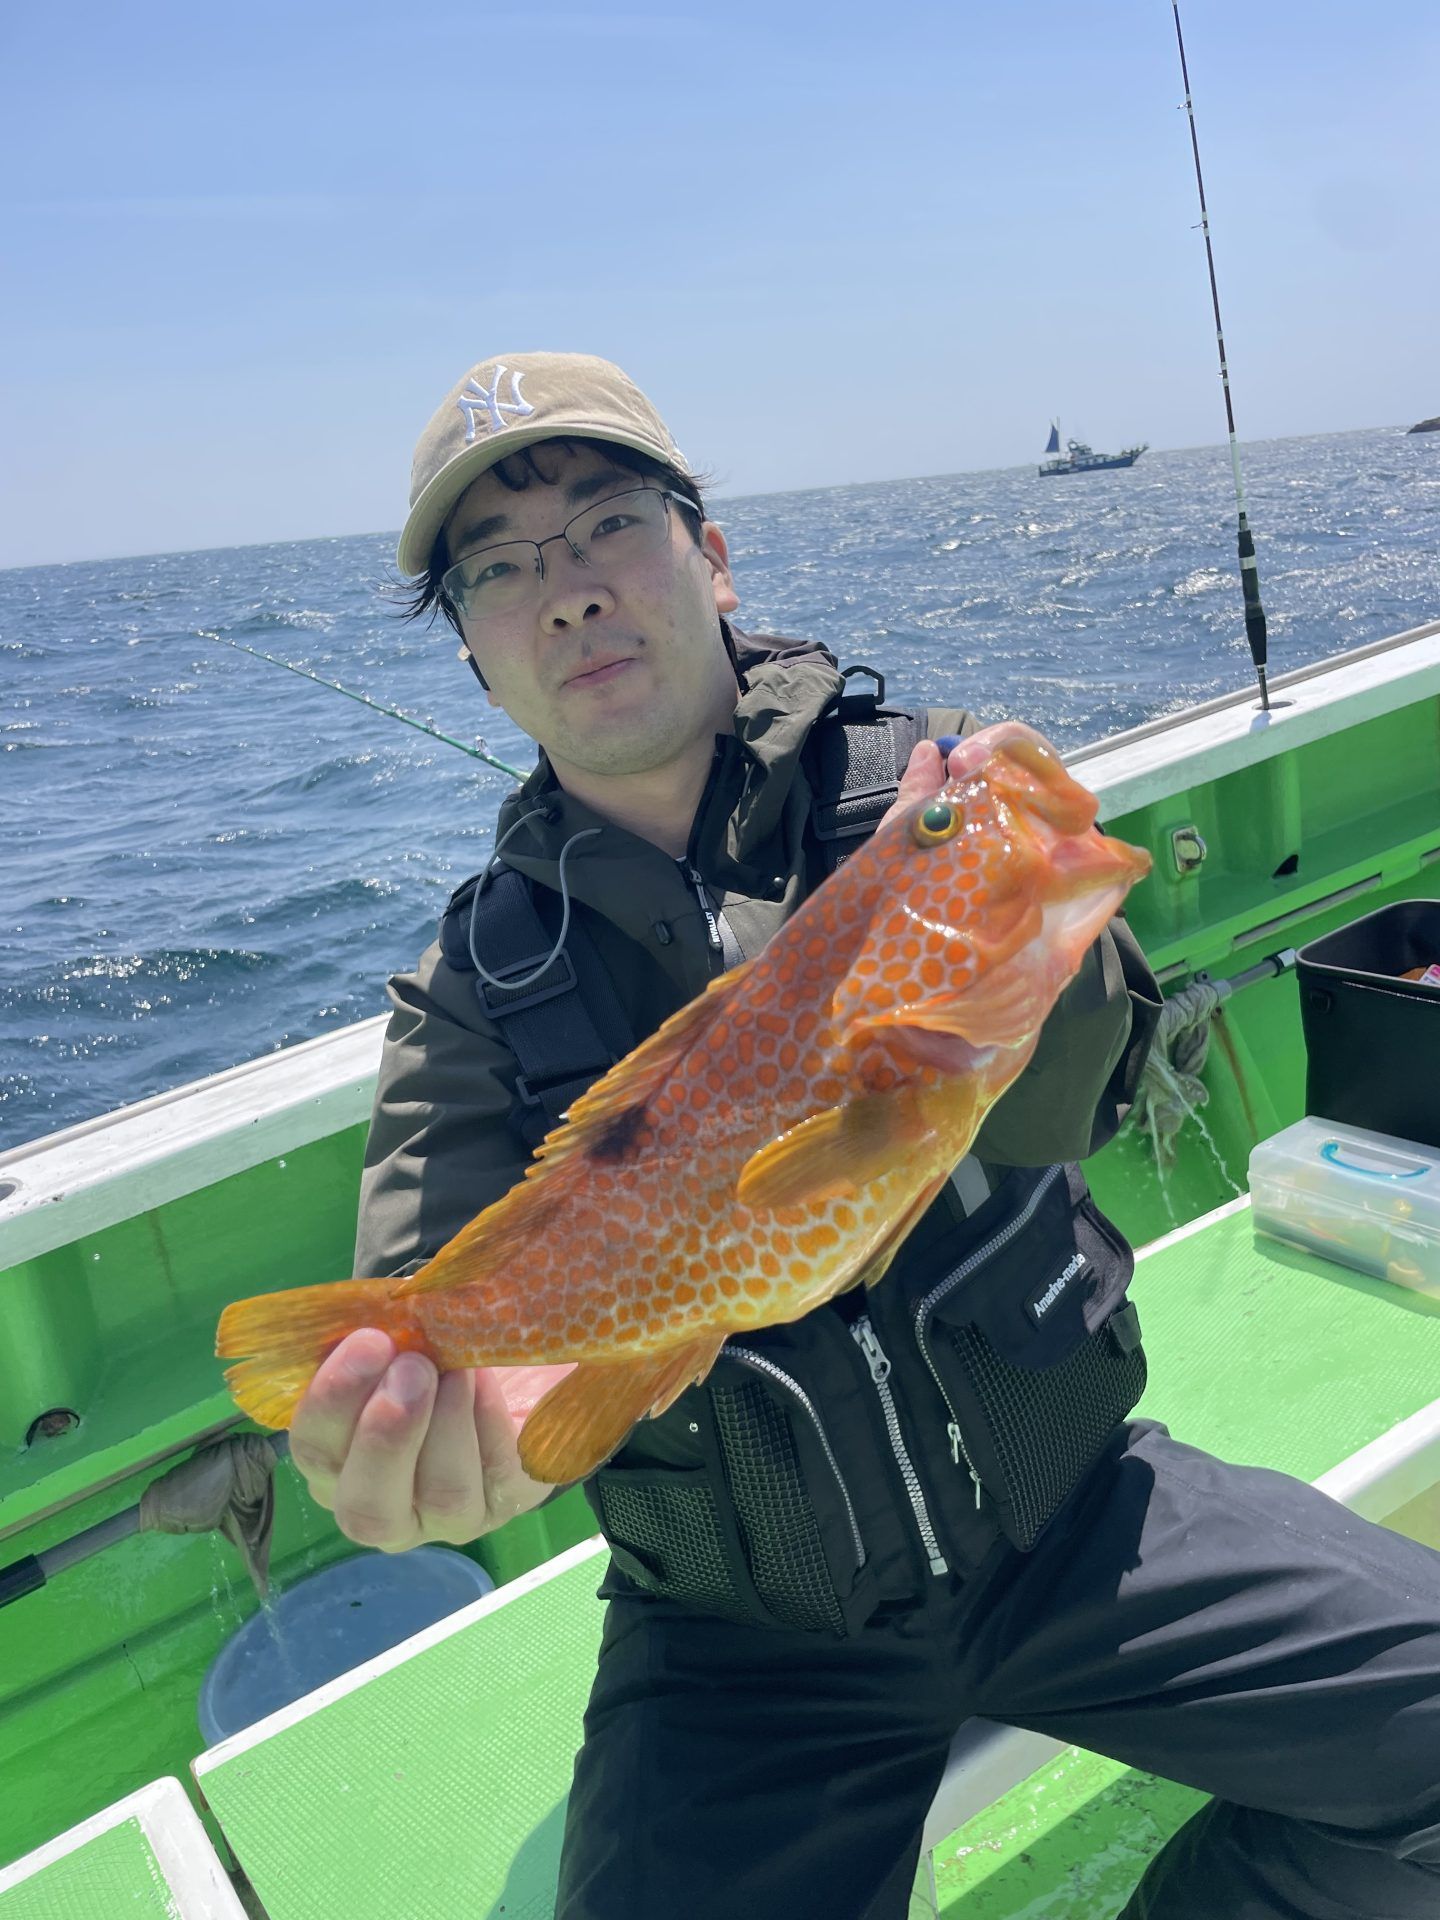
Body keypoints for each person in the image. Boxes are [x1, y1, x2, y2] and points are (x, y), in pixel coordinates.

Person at [289, 352, 1440, 1919]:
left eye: (609, 522)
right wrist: (422, 1455)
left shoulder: (925, 795)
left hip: (1077, 1519)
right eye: (499, 569)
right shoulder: (471, 992)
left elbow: (1082, 1104)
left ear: (711, 556)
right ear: (481, 663)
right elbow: (439, 1307)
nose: (567, 593)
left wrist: (1004, 940)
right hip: (739, 1647)